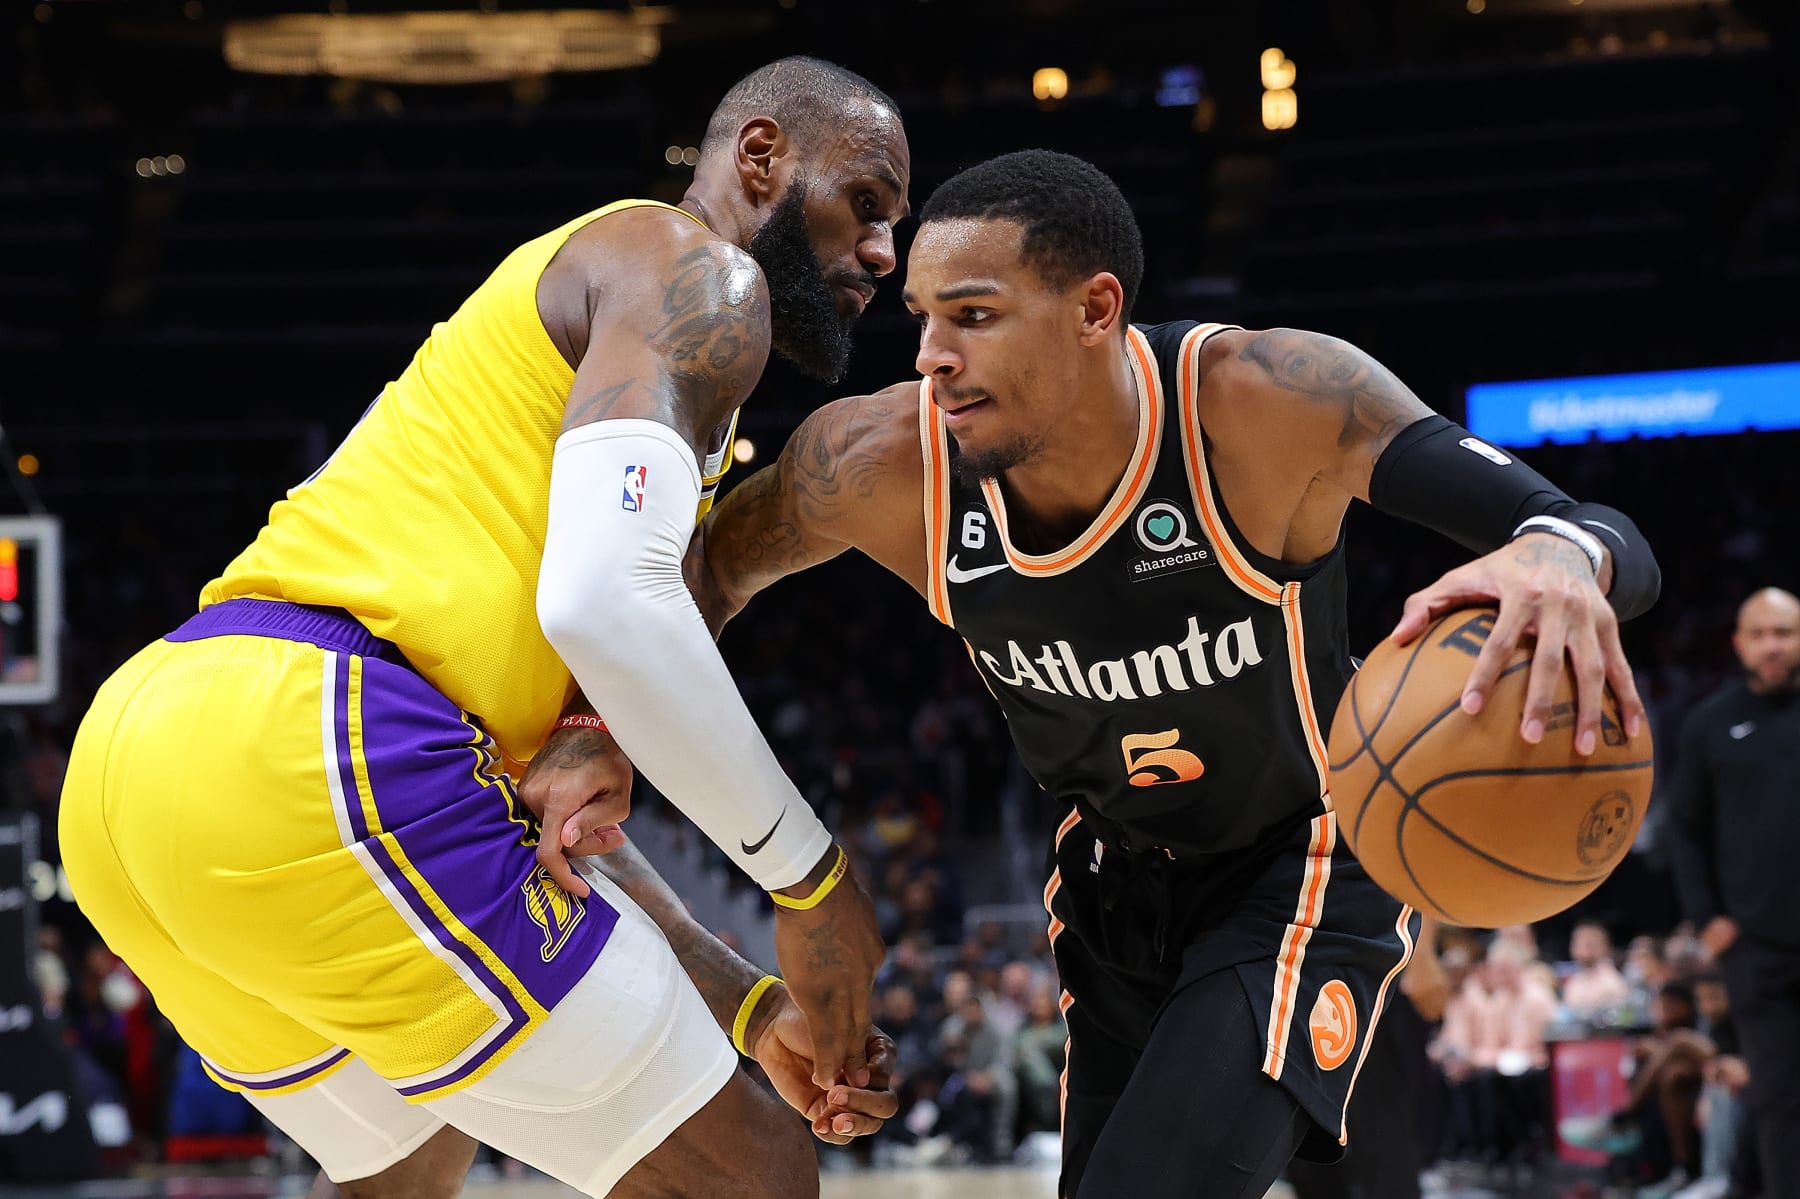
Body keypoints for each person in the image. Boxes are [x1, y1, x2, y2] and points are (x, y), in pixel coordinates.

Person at [666, 149, 1660, 1197]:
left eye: (975, 315)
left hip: (1302, 856)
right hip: (1109, 884)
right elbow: (695, 580)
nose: (931, 356)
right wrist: (594, 733)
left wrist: (1561, 552)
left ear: (1096, 309)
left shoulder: (1261, 402)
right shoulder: (878, 463)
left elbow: (1588, 529)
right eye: (921, 316)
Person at [58, 56, 910, 1199]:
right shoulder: (698, 274)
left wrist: (746, 1002)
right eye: (866, 203)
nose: (883, 254)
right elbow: (607, 607)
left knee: (415, 1157)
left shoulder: (598, 358)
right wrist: (812, 881)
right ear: (762, 156)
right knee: (755, 1174)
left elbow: (524, 817)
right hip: (323, 738)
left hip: (144, 762)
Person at [1669, 586, 1800, 1197]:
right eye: (1762, 634)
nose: (1773, 645)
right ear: (1740, 643)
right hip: (1757, 949)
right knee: (1778, 1098)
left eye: (1785, 632)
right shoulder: (1709, 724)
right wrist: (1709, 919)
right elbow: (1684, 833)